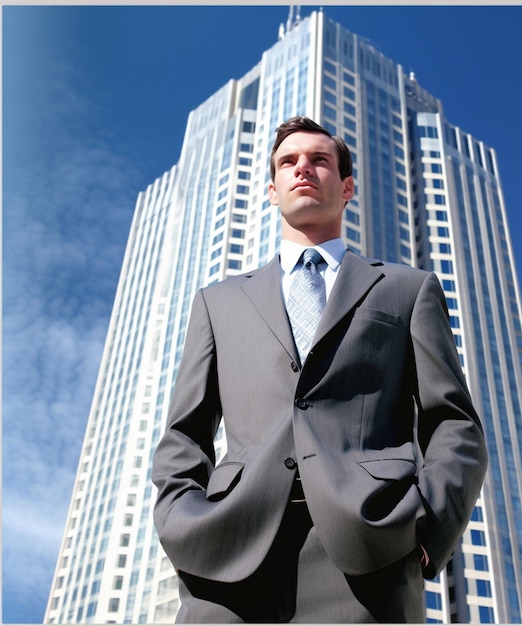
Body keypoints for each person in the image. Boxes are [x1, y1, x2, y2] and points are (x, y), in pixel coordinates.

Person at [152, 116, 488, 623]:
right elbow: (185, 432)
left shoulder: (407, 289)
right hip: (227, 558)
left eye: (319, 160)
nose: (302, 168)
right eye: (288, 162)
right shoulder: (218, 302)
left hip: (370, 556)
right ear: (271, 190)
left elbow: (455, 423)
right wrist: (182, 520)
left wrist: (425, 531)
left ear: (347, 185)